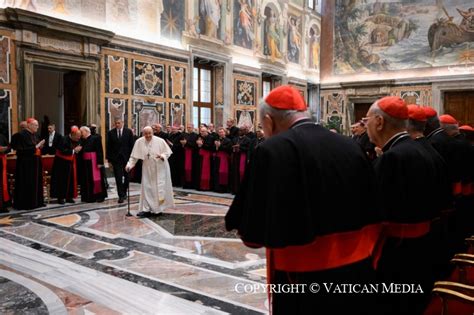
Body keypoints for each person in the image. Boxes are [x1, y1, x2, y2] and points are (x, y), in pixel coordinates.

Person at [226, 85, 381, 315]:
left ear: (268, 120)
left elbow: (251, 234)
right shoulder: (351, 145)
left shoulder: (271, 150)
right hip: (356, 267)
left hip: (300, 277)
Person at [364, 97, 443, 314]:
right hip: (422, 247)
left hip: (396, 255)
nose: (366, 125)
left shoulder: (393, 157)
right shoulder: (422, 149)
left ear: (379, 122)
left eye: (367, 120)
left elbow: (372, 209)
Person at [125, 126, 174, 218]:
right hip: (147, 167)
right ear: (143, 133)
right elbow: (134, 157)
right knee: (147, 188)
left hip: (159, 167)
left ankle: (158, 209)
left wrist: (162, 156)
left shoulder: (160, 141)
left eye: (149, 133)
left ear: (153, 132)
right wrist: (129, 165)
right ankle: (146, 209)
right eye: (145, 134)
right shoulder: (139, 142)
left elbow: (168, 152)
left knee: (157, 188)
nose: (148, 135)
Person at [13, 118, 45, 210]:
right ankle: (28, 203)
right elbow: (21, 151)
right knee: (27, 183)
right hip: (26, 164)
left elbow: (35, 147)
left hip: (35, 162)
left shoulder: (34, 135)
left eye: (37, 125)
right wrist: (36, 147)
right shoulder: (21, 135)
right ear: (29, 125)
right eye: (36, 125)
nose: (37, 127)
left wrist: (39, 147)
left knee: (37, 182)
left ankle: (37, 201)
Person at [50, 126, 82, 204]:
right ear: (73, 134)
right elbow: (62, 151)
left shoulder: (76, 140)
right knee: (62, 181)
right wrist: (74, 151)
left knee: (71, 180)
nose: (79, 139)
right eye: (77, 137)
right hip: (61, 164)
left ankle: (69, 197)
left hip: (71, 164)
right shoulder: (63, 139)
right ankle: (61, 197)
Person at [106, 118, 134, 204]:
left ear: (122, 123)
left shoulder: (128, 132)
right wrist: (109, 160)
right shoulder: (111, 133)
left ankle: (124, 191)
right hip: (116, 159)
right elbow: (108, 147)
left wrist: (132, 159)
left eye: (119, 123)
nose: (117, 125)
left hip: (126, 158)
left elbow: (131, 145)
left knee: (127, 177)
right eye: (116, 123)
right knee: (118, 178)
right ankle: (121, 196)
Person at [79, 126, 107, 203]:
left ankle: (99, 196)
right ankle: (88, 197)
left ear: (86, 131)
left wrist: (100, 162)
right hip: (85, 163)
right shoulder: (82, 140)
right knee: (87, 180)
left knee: (96, 180)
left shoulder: (95, 138)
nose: (81, 134)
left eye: (82, 132)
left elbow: (100, 150)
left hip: (94, 162)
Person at [0, 132, 10, 212]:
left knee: (3, 184)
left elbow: (9, 147)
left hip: (1, 161)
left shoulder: (2, 136)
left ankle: (2, 206)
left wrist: (5, 149)